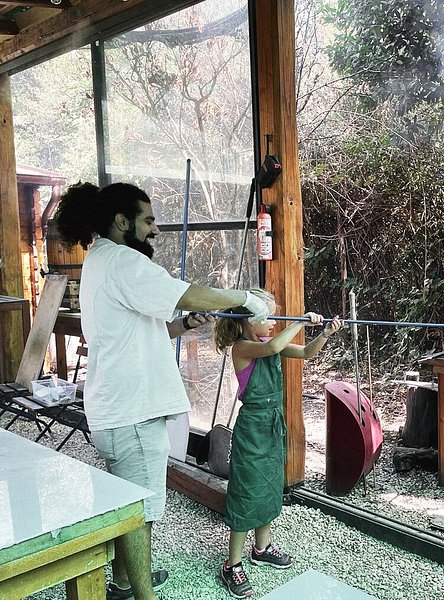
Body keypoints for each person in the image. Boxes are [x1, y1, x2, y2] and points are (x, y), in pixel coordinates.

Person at [52, 181, 272, 600]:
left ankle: (122, 582)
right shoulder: (123, 262)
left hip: (118, 409)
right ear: (122, 222)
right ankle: (142, 594)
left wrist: (184, 325)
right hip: (131, 414)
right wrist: (247, 297)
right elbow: (189, 292)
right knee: (140, 514)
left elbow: (144, 326)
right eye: (148, 220)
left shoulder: (102, 259)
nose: (155, 230)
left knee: (128, 506)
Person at [213, 290, 342, 599]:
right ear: (246, 322)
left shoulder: (267, 345)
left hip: (273, 425)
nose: (271, 323)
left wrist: (323, 333)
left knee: (270, 486)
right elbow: (274, 344)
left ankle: (262, 548)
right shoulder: (243, 348)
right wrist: (299, 321)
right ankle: (232, 564)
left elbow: (306, 353)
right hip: (253, 428)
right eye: (266, 318)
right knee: (247, 490)